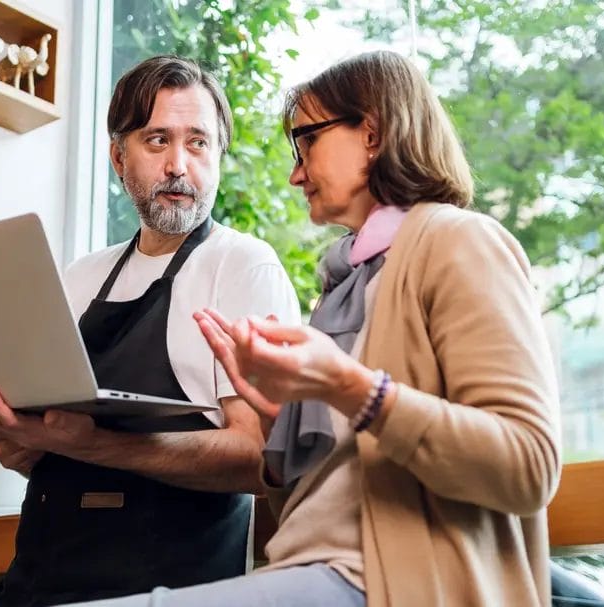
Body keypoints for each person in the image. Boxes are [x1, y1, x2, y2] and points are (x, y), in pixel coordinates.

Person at [69, 50, 562, 607]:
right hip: (308, 570)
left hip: (384, 581)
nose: (294, 172)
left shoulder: (459, 242)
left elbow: (529, 465)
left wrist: (348, 389)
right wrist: (286, 422)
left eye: (308, 142)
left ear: (371, 134)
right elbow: (326, 489)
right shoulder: (347, 280)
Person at [0, 55, 300, 607]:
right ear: (119, 157)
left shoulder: (242, 266)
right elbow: (39, 457)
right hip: (39, 578)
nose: (178, 166)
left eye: (198, 143)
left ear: (219, 158)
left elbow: (259, 457)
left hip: (170, 586)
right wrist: (15, 441)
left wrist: (97, 444)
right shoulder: (79, 276)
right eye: (157, 140)